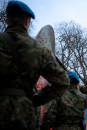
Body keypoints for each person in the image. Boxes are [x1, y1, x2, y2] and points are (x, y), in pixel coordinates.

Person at [0, 1, 70, 129]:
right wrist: (36, 100)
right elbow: (63, 81)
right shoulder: (39, 50)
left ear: (6, 20)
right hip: (24, 114)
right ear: (27, 21)